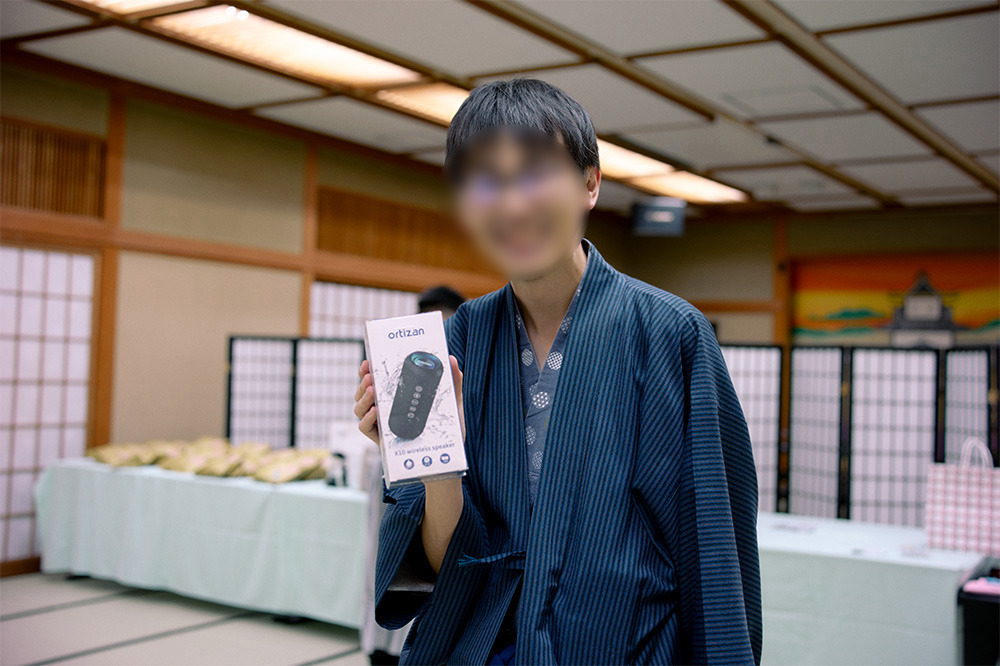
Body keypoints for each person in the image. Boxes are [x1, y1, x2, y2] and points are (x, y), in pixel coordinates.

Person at [353, 78, 761, 665]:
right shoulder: (462, 337)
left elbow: (714, 547)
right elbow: (429, 576)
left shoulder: (670, 334)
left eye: (536, 175)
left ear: (589, 184)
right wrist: (436, 465)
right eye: (486, 182)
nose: (512, 205)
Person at [362, 286, 467, 665]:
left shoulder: (469, 356)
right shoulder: (397, 353)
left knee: (423, 558)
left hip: (442, 469)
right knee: (385, 552)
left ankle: (397, 645)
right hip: (395, 464)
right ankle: (380, 644)